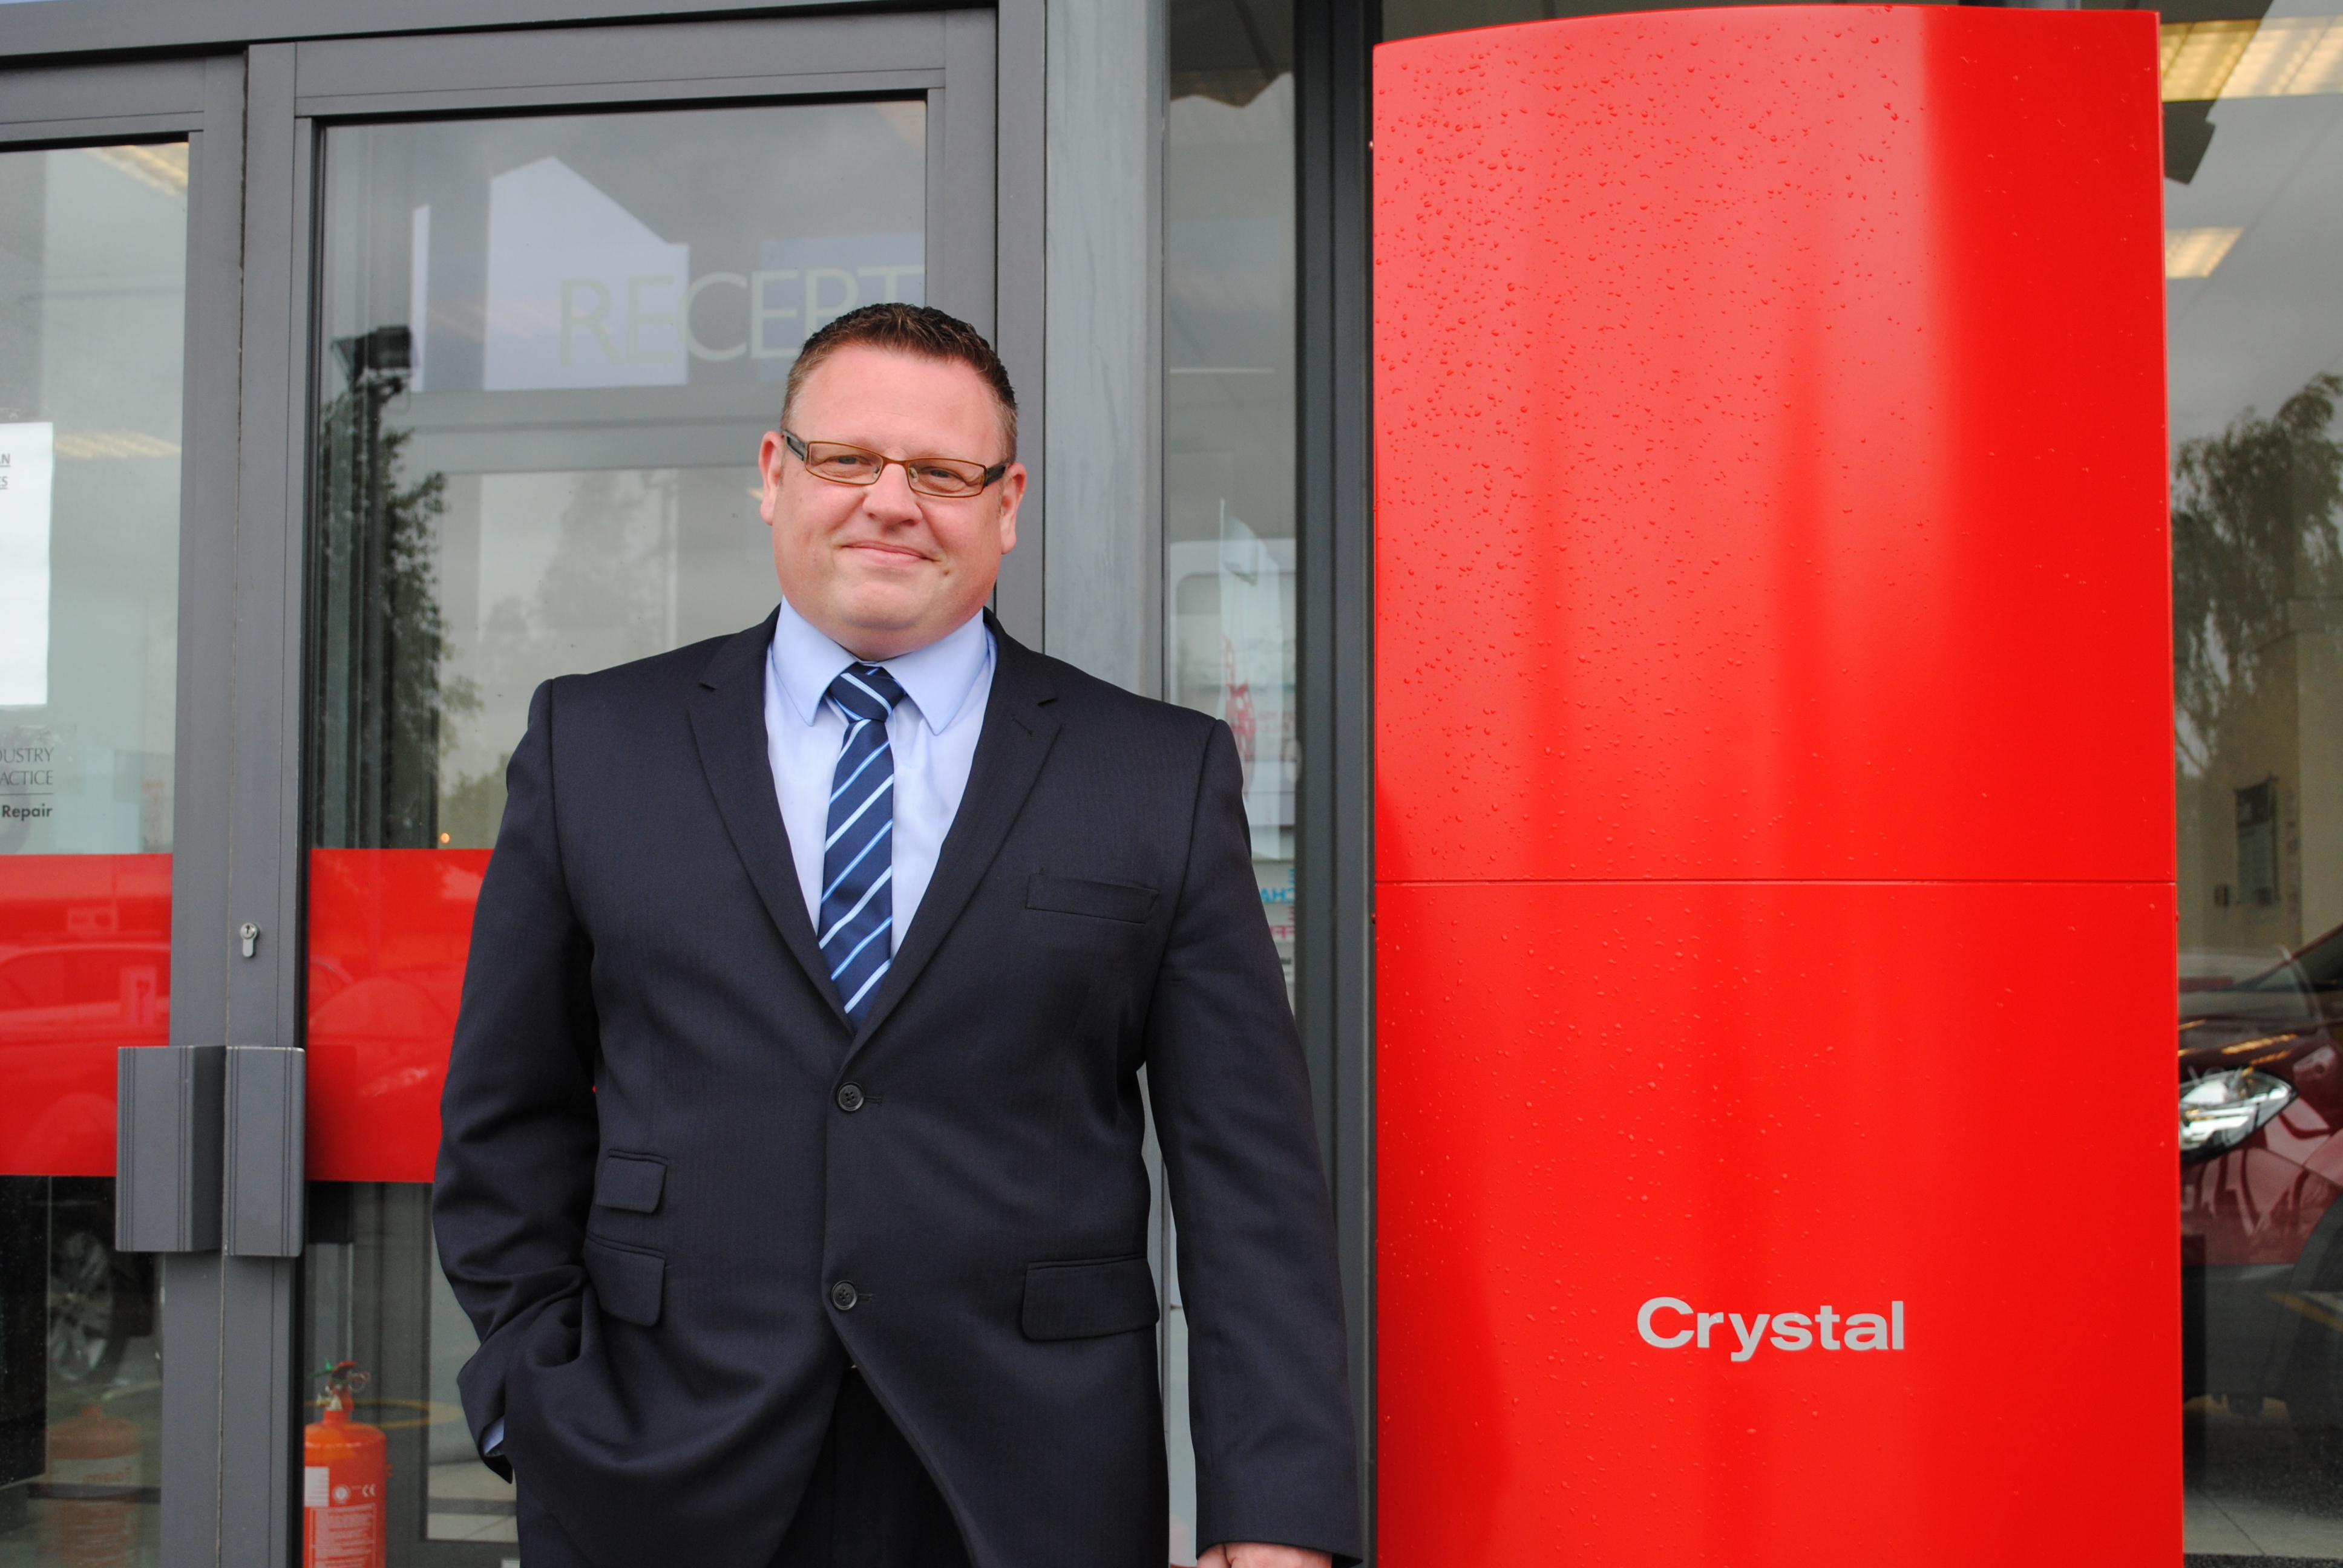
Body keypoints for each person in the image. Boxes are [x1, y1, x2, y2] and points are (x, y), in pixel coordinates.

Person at [432, 303, 1360, 1568]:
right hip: (653, 1471)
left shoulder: (1157, 774)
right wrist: (530, 1396)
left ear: (1006, 505)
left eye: (941, 472)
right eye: (848, 459)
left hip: (1026, 1488)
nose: (890, 503)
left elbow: (1247, 1180)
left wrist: (1276, 1517)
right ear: (775, 475)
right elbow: (506, 1117)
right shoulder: (596, 743)